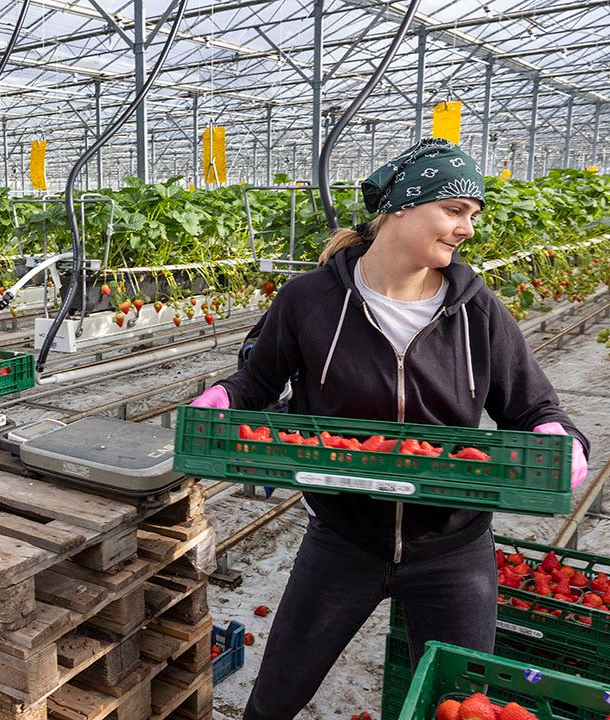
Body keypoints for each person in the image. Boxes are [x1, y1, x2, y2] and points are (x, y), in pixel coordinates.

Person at [191, 138, 590, 720]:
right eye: (454, 210)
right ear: (402, 206)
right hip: (342, 539)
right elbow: (256, 382)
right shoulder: (309, 300)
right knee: (272, 702)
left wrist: (562, 443)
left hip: (452, 553)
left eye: (473, 216)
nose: (467, 229)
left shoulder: (478, 311)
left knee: (458, 708)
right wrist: (223, 397)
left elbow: (537, 410)